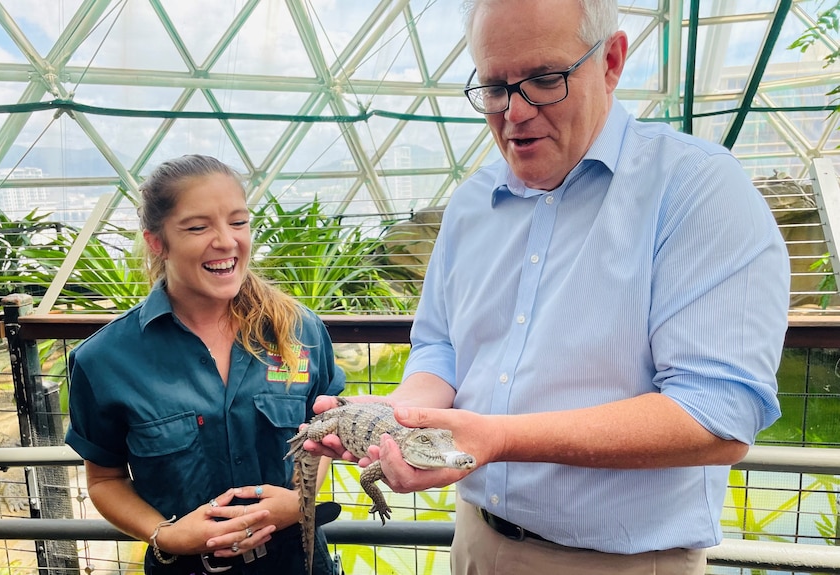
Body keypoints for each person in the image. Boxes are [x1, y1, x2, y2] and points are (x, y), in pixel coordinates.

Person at [307, 0, 791, 574]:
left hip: (621, 563)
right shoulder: (470, 204)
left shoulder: (695, 190)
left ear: (611, 61)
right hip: (476, 543)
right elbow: (441, 349)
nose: (514, 112)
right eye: (494, 86)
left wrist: (497, 438)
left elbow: (717, 414)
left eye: (543, 80)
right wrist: (400, 417)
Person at [65, 154, 346, 574]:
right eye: (198, 227)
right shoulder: (105, 359)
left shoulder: (298, 331)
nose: (226, 241)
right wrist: (169, 534)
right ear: (157, 242)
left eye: (238, 222)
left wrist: (301, 498)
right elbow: (104, 481)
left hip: (299, 562)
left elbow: (325, 434)